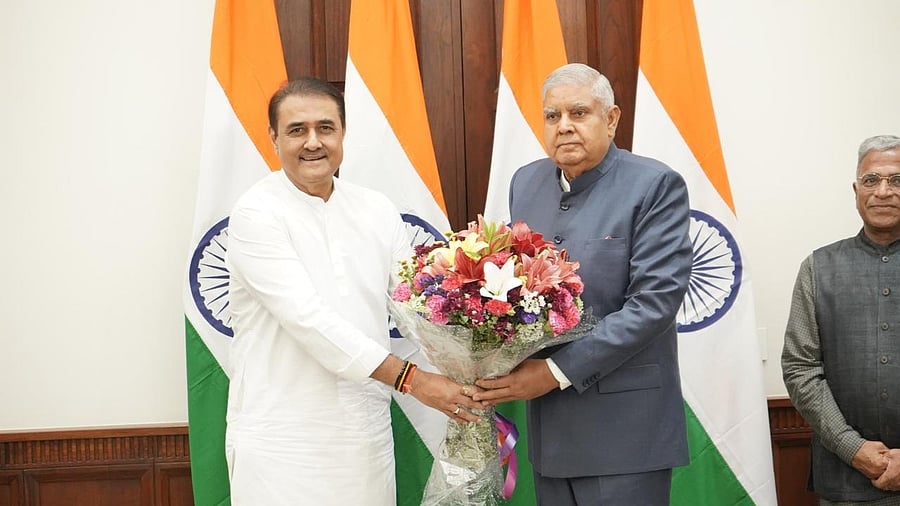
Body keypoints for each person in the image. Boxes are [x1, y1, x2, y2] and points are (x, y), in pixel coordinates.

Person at [223, 77, 484, 506]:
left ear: (343, 133)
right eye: (296, 130)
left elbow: (414, 308)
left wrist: (480, 355)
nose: (313, 142)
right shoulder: (256, 213)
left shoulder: (375, 209)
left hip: (363, 437)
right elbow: (309, 321)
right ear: (272, 138)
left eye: (325, 128)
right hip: (281, 443)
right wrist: (413, 380)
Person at [474, 63, 693, 505]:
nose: (565, 127)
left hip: (626, 434)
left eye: (579, 113)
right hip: (551, 434)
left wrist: (553, 373)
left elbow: (653, 305)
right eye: (552, 116)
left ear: (611, 120)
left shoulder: (654, 185)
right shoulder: (526, 182)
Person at [782, 134, 900, 505]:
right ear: (855, 190)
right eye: (872, 180)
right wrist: (853, 448)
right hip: (845, 480)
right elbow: (800, 367)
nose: (884, 191)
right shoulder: (819, 268)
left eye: (897, 180)